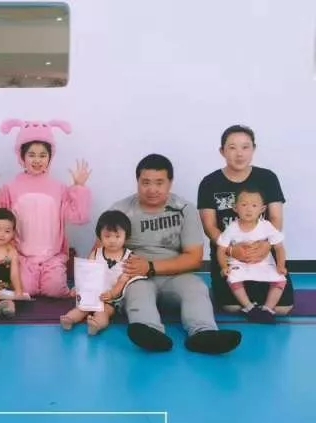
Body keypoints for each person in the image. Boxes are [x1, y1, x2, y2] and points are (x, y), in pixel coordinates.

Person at [110, 153, 242, 354]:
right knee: (137, 293)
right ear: (137, 181)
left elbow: (194, 258)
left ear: (170, 183)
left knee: (196, 288)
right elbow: (101, 251)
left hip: (175, 274)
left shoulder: (185, 209)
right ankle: (151, 333)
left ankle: (204, 334)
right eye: (145, 182)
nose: (152, 189)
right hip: (135, 276)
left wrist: (151, 267)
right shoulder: (120, 210)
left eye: (159, 183)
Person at [197, 124, 293, 315]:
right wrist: (232, 250)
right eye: (232, 147)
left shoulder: (267, 178)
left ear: (253, 149)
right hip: (228, 254)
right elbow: (209, 226)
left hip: (264, 251)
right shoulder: (209, 182)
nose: (239, 154)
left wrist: (266, 246)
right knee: (231, 307)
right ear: (222, 151)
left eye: (245, 147)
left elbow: (276, 218)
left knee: (282, 308)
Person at [0, 119, 92, 298]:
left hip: (52, 257)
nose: (37, 160)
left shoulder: (59, 188)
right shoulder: (11, 188)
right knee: (26, 290)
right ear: (22, 157)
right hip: (23, 257)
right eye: (31, 155)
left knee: (55, 289)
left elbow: (79, 217)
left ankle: (53, 278)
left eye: (42, 155)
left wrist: (79, 187)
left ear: (50, 157)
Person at [60, 210, 141, 336]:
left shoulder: (129, 257)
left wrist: (111, 294)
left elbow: (123, 280)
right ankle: (69, 319)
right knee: (82, 308)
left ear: (126, 236)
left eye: (117, 236)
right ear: (100, 236)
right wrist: (79, 288)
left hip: (112, 298)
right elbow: (87, 274)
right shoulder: (96, 253)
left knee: (104, 311)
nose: (112, 241)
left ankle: (97, 324)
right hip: (93, 293)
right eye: (107, 236)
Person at [216, 186, 288, 323]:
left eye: (254, 205)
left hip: (263, 262)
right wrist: (224, 266)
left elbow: (279, 247)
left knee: (280, 279)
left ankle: (268, 309)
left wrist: (281, 265)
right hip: (239, 262)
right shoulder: (232, 228)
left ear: (262, 209)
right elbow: (221, 249)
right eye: (244, 205)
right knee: (232, 277)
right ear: (235, 208)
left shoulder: (266, 226)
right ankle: (249, 307)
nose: (249, 209)